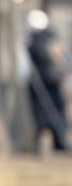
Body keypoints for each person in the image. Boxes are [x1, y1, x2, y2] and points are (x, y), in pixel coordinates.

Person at [27, 10, 68, 153]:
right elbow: (55, 53)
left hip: (42, 81)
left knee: (43, 112)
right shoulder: (46, 37)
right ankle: (58, 143)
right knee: (52, 111)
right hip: (47, 80)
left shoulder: (31, 39)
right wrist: (62, 69)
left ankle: (55, 142)